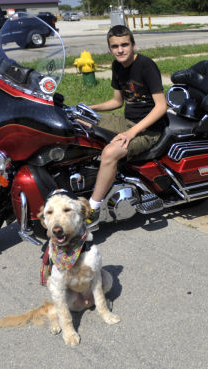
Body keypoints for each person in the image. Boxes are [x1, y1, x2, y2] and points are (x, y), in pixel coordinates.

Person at [87, 25, 167, 224]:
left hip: (149, 130)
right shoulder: (117, 66)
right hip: (127, 122)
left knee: (110, 152)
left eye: (124, 45)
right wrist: (89, 108)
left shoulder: (146, 65)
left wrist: (131, 133)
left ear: (133, 45)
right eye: (115, 46)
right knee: (79, 122)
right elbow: (117, 102)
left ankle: (92, 210)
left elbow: (161, 107)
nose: (120, 50)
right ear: (110, 48)